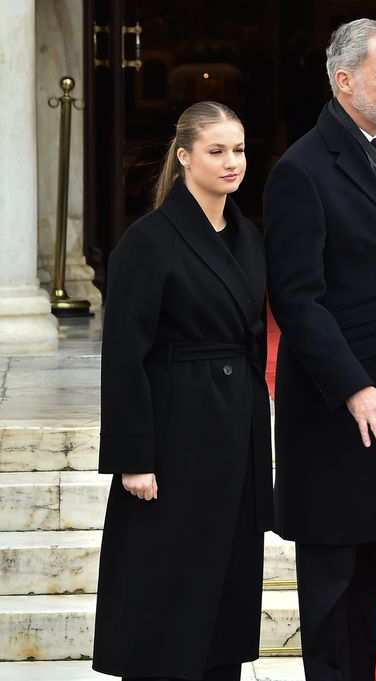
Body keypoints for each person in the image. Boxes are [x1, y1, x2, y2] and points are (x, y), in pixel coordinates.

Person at [262, 19, 376, 681]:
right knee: (334, 584)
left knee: (371, 578)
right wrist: (356, 387)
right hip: (336, 410)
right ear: (344, 80)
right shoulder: (301, 170)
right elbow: (298, 299)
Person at [92, 101, 273, 681]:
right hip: (175, 432)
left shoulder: (247, 237)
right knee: (166, 580)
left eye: (239, 150)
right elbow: (124, 354)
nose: (231, 162)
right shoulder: (148, 239)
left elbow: (252, 343)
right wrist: (133, 457)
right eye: (216, 150)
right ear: (185, 156)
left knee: (225, 583)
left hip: (235, 427)